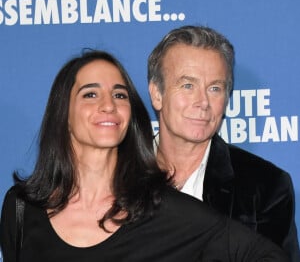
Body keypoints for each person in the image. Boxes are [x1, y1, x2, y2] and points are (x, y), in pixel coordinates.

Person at [0, 50, 288, 262]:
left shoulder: (165, 207)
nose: (108, 105)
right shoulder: (21, 208)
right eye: (90, 94)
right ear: (63, 113)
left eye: (120, 95)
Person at [148, 25, 300, 262]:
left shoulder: (266, 186)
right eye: (188, 85)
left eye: (215, 88)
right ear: (157, 93)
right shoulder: (116, 176)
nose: (203, 102)